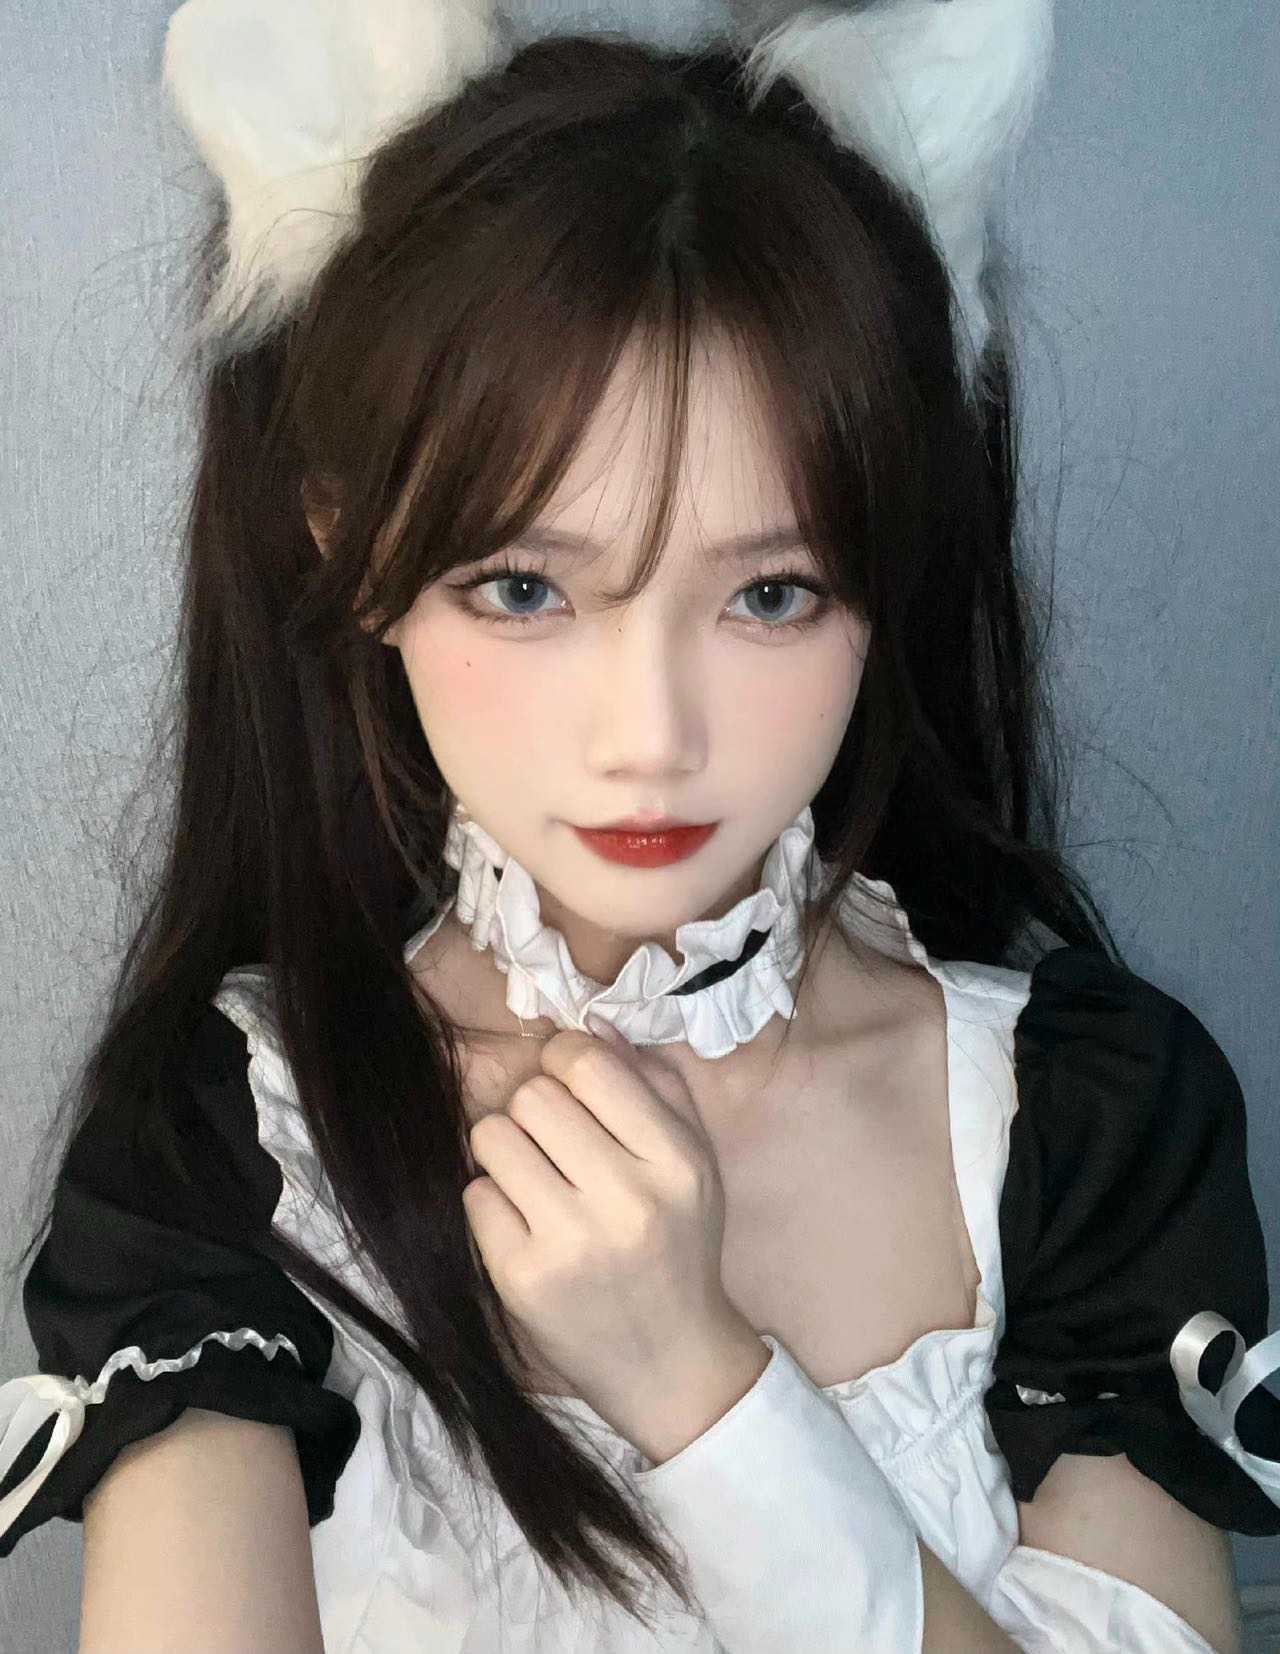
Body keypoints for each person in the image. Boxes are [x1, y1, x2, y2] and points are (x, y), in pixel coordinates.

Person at [1, 2, 1278, 1650]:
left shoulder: (1092, 1118)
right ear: (351, 549)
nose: (651, 737)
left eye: (771, 591)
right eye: (525, 587)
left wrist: (702, 1385)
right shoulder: (224, 1141)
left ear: (888, 567)